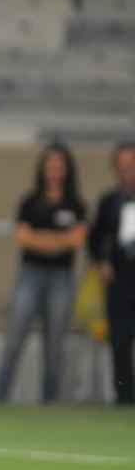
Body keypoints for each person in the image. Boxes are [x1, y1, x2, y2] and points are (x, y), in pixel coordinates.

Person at [0, 144, 88, 403]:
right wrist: (58, 241)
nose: (54, 171)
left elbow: (77, 240)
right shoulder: (30, 202)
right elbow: (24, 238)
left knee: (55, 345)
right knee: (14, 338)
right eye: (50, 165)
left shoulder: (75, 205)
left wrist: (43, 239)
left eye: (59, 166)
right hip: (31, 276)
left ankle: (50, 402)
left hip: (61, 279)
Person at [90, 141, 135, 405]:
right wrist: (102, 261)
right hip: (119, 279)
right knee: (120, 341)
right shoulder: (109, 202)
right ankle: (124, 398)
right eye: (124, 167)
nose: (128, 172)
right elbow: (95, 238)